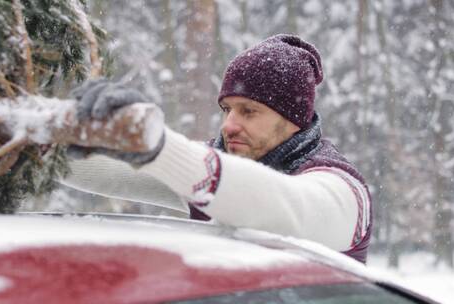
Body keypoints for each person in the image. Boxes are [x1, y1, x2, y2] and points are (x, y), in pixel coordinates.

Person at [66, 34, 372, 263]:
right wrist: (35, 136)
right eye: (226, 109)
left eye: (249, 111)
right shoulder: (216, 168)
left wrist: (158, 147)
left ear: (293, 118)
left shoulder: (344, 191)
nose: (229, 125)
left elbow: (281, 206)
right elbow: (105, 169)